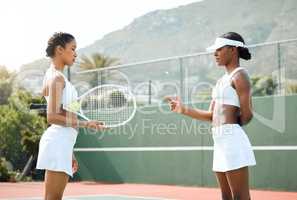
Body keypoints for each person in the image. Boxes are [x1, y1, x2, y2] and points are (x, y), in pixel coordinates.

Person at [166, 32, 256, 200]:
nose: (215, 54)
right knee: (226, 197)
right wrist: (182, 109)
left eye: (219, 49)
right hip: (219, 141)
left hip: (231, 139)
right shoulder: (221, 81)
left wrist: (230, 128)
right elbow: (211, 116)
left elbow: (248, 114)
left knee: (240, 197)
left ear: (233, 50)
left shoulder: (240, 75)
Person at [36, 32, 104, 200]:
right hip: (59, 141)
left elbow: (64, 110)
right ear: (60, 49)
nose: (76, 54)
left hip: (63, 142)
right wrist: (86, 124)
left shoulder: (52, 75)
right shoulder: (57, 78)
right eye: (72, 49)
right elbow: (52, 116)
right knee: (53, 198)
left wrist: (70, 152)